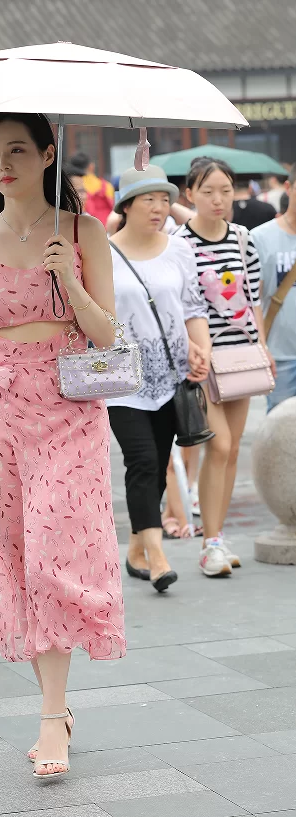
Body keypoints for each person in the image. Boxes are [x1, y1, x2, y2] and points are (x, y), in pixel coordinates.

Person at [0, 112, 126, 780]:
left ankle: (52, 718)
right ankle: (56, 703)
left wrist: (69, 280)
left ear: (48, 155)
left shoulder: (82, 232)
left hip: (69, 410)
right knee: (24, 559)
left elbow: (108, 336)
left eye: (18, 150)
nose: (3, 164)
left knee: (54, 554)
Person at [107, 165, 210, 591]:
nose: (159, 208)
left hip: (172, 376)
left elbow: (193, 307)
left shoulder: (179, 249)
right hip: (121, 379)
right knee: (143, 461)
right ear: (126, 205)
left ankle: (136, 549)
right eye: (149, 199)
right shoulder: (102, 253)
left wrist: (201, 349)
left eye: (165, 199)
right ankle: (157, 556)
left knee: (157, 462)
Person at [177, 157, 275, 577]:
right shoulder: (180, 242)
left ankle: (216, 537)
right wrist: (191, 350)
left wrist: (263, 346)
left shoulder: (242, 238)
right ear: (190, 194)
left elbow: (253, 298)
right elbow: (178, 302)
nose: (218, 199)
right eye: (208, 191)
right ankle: (210, 542)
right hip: (202, 359)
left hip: (241, 356)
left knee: (232, 449)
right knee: (217, 445)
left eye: (225, 190)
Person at [252, 163, 296, 412]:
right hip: (280, 355)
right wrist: (261, 346)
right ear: (288, 188)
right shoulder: (260, 237)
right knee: (282, 429)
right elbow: (253, 299)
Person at [68, 151, 114, 226]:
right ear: (91, 166)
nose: (83, 196)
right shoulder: (107, 186)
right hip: (105, 227)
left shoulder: (72, 183)